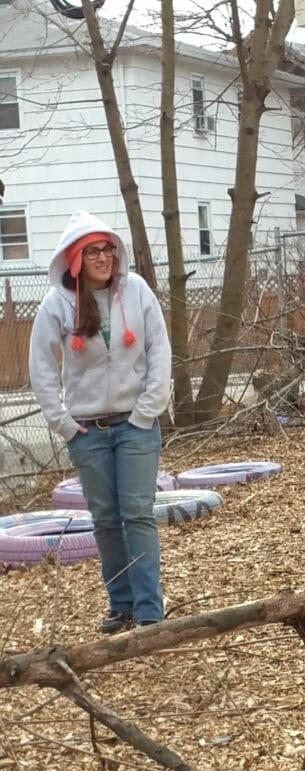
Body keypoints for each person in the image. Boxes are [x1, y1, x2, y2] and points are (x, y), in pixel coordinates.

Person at [29, 211, 172, 634]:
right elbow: (40, 367)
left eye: (108, 248)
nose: (103, 257)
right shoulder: (57, 304)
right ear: (75, 258)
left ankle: (149, 611)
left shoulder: (138, 291)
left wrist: (148, 410)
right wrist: (64, 423)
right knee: (106, 518)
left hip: (136, 425)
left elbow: (160, 350)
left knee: (138, 514)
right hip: (88, 432)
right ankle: (121, 605)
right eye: (93, 251)